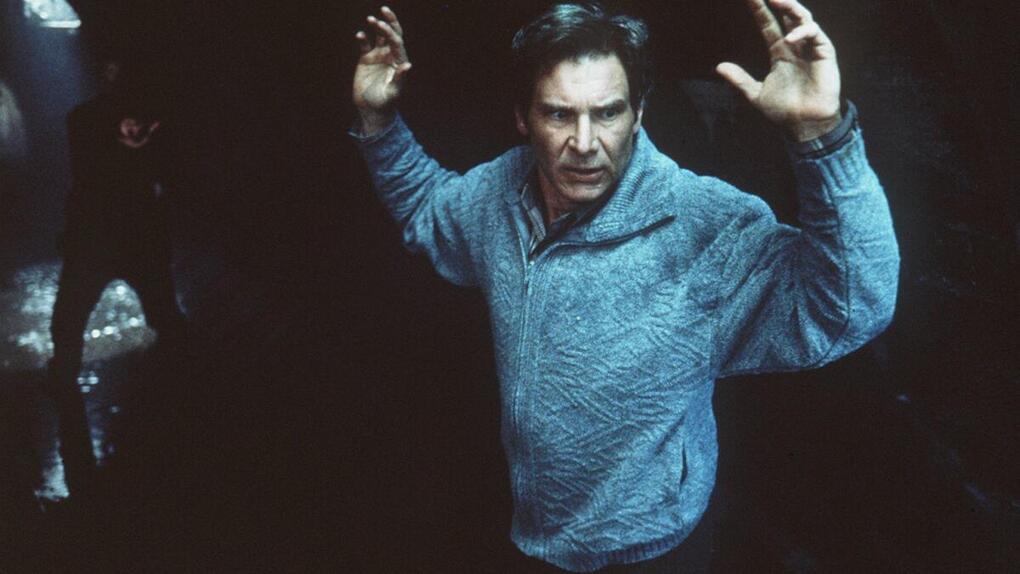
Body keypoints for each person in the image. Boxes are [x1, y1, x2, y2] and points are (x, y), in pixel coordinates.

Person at [350, 1, 899, 571]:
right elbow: (428, 206)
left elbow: (851, 305)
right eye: (559, 114)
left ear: (638, 113)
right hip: (533, 538)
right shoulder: (499, 194)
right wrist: (377, 119)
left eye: (608, 112)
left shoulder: (703, 224)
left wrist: (821, 137)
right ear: (523, 117)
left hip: (654, 551)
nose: (585, 142)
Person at [47, 58, 185, 500]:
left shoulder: (145, 121)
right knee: (70, 324)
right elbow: (92, 170)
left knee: (78, 322)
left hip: (120, 236)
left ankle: (183, 400)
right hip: (108, 236)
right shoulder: (90, 119)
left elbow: (169, 174)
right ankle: (182, 402)